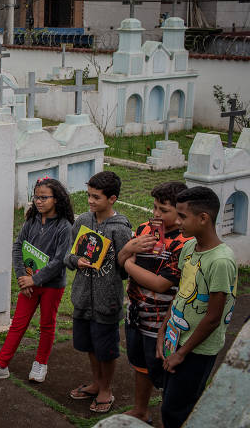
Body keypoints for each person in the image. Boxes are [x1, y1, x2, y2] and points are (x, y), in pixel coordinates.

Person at [0, 178, 74, 383]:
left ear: (56, 199)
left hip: (51, 287)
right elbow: (18, 246)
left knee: (47, 325)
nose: (38, 202)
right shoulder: (31, 221)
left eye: (44, 198)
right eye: (36, 197)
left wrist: (35, 280)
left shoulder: (64, 227)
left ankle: (40, 364)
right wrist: (23, 278)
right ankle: (1, 365)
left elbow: (59, 261)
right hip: (28, 284)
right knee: (18, 324)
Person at [157, 187, 237, 428]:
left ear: (203, 218)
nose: (177, 221)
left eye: (182, 216)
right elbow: (181, 293)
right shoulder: (190, 248)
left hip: (197, 350)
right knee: (170, 400)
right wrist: (164, 330)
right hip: (176, 338)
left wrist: (182, 354)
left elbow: (213, 317)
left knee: (179, 409)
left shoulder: (221, 261)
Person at [117, 181, 191, 424]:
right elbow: (120, 260)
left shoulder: (183, 243)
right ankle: (141, 410)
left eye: (164, 210)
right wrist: (128, 248)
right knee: (139, 363)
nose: (156, 214)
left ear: (181, 213)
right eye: (155, 207)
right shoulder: (144, 229)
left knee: (164, 368)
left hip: (162, 319)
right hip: (136, 311)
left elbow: (161, 284)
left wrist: (128, 263)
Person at [64, 171, 132, 414]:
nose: (91, 201)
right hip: (83, 298)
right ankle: (96, 382)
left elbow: (126, 267)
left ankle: (106, 389)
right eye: (89, 195)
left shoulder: (120, 229)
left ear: (112, 198)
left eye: (96, 197)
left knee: (106, 348)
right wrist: (76, 260)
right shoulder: (82, 221)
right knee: (90, 345)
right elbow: (68, 255)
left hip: (107, 301)